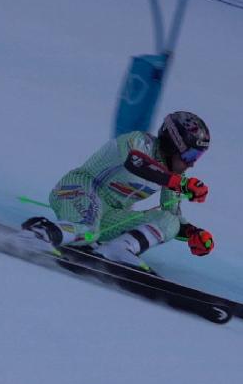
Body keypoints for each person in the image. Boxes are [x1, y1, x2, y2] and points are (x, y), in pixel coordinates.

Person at [19, 111, 215, 271]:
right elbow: (136, 162)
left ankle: (118, 250)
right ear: (172, 143)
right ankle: (37, 234)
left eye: (196, 157)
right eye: (190, 154)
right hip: (81, 188)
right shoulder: (139, 141)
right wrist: (179, 183)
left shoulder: (171, 176)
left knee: (168, 221)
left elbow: (171, 216)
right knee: (88, 230)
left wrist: (193, 234)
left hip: (109, 214)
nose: (191, 164)